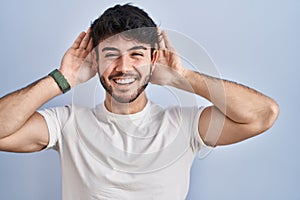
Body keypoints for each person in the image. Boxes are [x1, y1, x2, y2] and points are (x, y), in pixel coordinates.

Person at [0, 3, 279, 200]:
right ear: (94, 60)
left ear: (153, 59)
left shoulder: (185, 124)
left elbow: (263, 114)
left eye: (136, 54)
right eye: (110, 54)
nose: (123, 67)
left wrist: (182, 77)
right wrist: (63, 78)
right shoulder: (66, 123)